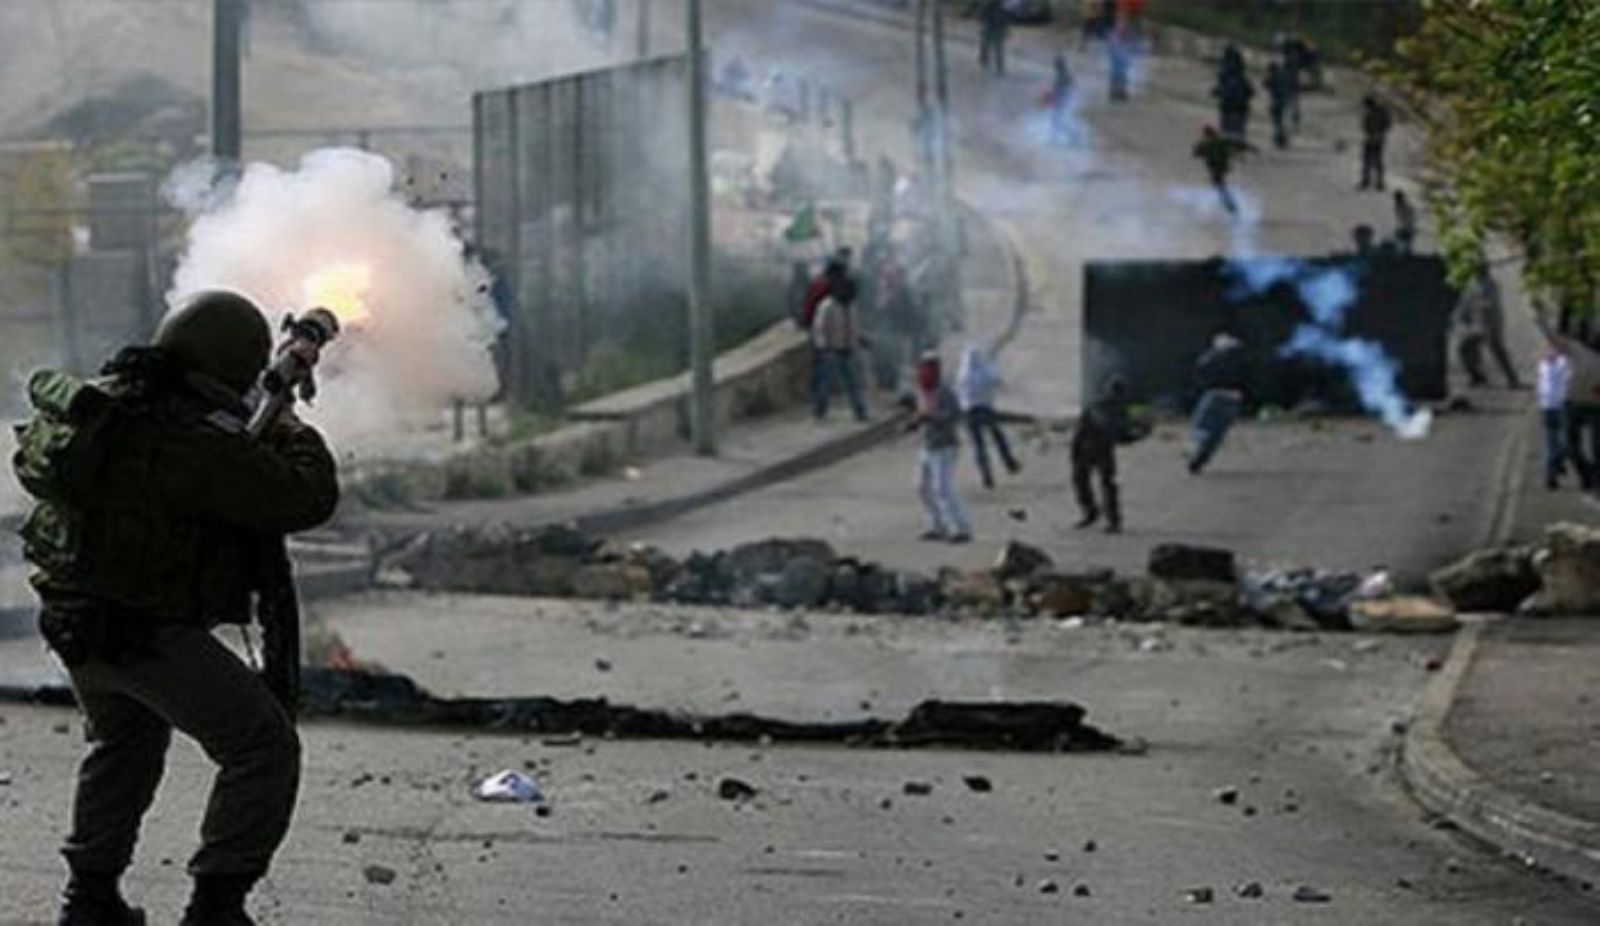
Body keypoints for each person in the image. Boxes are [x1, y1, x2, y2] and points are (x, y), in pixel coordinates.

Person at [12, 291, 340, 925]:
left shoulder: (117, 404)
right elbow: (304, 497)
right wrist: (291, 426)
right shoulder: (191, 440)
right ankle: (216, 908)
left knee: (124, 746)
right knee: (263, 747)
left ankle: (89, 901)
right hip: (143, 633)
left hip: (75, 621)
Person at [910, 352, 971, 543]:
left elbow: (955, 415)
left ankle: (960, 529)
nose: (925, 371)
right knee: (921, 487)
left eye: (930, 367)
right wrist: (915, 422)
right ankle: (937, 525)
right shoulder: (921, 390)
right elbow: (921, 413)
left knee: (942, 488)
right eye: (923, 366)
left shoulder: (945, 391)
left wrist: (933, 417)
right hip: (927, 445)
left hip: (945, 446)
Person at [1072, 377, 1145, 533]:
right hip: (1089, 448)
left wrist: (1137, 434)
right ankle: (1097, 514)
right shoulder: (1100, 406)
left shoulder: (1116, 409)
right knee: (1089, 483)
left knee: (1104, 484)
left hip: (1100, 448)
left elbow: (1120, 435)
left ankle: (1108, 518)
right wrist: (1134, 431)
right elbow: (1107, 426)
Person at [955, 344, 1021, 489]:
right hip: (985, 408)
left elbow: (958, 392)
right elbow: (997, 381)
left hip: (969, 411)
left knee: (978, 445)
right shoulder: (985, 370)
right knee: (998, 437)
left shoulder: (962, 374)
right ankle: (1009, 462)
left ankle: (986, 475)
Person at [1188, 332, 1247, 474]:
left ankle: (1196, 454)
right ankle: (1203, 457)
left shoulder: (1211, 358)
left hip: (1215, 394)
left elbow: (1201, 371)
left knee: (1203, 425)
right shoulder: (1241, 361)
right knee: (1218, 432)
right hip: (1235, 397)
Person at [1455, 263, 1522, 389]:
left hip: (1490, 324)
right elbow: (1465, 302)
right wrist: (1462, 316)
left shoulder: (1491, 285)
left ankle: (1512, 379)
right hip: (1476, 324)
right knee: (1464, 348)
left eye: (1479, 270)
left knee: (1497, 351)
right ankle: (1476, 376)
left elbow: (1490, 303)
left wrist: (1480, 306)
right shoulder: (1472, 284)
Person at [811, 281, 869, 422]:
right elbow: (819, 329)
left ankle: (859, 410)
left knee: (853, 382)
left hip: (848, 348)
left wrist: (861, 338)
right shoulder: (827, 306)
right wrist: (824, 347)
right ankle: (820, 408)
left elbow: (855, 326)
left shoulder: (852, 306)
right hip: (831, 349)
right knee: (825, 382)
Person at [1192, 124, 1254, 215]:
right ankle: (1229, 204)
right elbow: (1239, 144)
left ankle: (1230, 205)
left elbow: (1196, 153)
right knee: (1218, 184)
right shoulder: (1218, 141)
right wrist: (1251, 148)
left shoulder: (1208, 143)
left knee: (1218, 184)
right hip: (1220, 166)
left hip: (1218, 167)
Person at [1538, 340, 1574, 490]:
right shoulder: (1550, 364)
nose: (1550, 352)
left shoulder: (1556, 363)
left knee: (1559, 443)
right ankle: (1552, 471)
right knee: (1559, 443)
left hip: (1555, 406)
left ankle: (1554, 469)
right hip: (1552, 407)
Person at [1359, 95, 1393, 192]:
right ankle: (1376, 182)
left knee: (1371, 161)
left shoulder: (1375, 113)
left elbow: (1366, 125)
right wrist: (1379, 132)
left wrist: (1377, 133)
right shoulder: (1381, 112)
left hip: (1375, 139)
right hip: (1375, 139)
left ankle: (1371, 182)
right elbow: (1387, 124)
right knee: (1373, 161)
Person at [1048, 53, 1077, 146]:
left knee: (1058, 121)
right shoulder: (1064, 74)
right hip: (1063, 100)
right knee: (1057, 121)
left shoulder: (1062, 75)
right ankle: (1054, 139)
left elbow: (1060, 90)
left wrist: (1057, 99)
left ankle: (1073, 136)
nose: (1054, 66)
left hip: (1062, 101)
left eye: (1056, 64)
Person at [1264, 61, 1294, 149]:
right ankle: (1283, 141)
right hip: (1286, 101)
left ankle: (1279, 140)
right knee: (1284, 122)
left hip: (1277, 102)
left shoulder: (1274, 76)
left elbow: (1265, 84)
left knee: (1277, 122)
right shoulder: (1286, 75)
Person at [979, 0, 1010, 76]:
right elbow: (983, 14)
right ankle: (986, 61)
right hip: (991, 26)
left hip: (997, 27)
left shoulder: (1003, 5)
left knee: (997, 48)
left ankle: (999, 67)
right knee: (989, 46)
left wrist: (1006, 29)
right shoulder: (991, 4)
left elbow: (1007, 17)